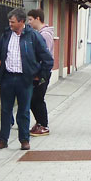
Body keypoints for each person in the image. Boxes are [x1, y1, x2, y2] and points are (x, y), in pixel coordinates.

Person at [0, 7, 54, 151]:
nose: (10, 24)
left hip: (25, 79)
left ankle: (24, 140)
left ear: (21, 22)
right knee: (5, 110)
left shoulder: (33, 36)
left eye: (13, 22)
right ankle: (3, 139)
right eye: (9, 22)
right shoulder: (6, 35)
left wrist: (40, 76)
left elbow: (47, 59)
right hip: (8, 78)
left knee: (24, 110)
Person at [27, 8, 55, 136]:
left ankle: (43, 125)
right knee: (34, 99)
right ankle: (39, 122)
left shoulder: (44, 35)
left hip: (42, 72)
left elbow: (45, 55)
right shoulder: (40, 33)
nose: (29, 22)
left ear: (38, 18)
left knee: (37, 98)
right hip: (38, 71)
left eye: (30, 19)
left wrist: (40, 73)